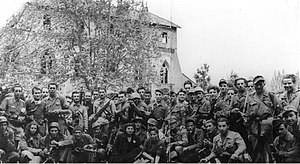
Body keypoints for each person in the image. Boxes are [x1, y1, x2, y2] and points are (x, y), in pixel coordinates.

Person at [245, 75, 281, 162]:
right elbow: (247, 115)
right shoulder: (250, 96)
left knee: (269, 152)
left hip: (268, 127)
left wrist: (272, 122)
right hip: (254, 128)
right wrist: (249, 131)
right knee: (256, 152)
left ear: (264, 84)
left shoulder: (270, 95)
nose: (258, 86)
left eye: (260, 84)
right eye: (256, 85)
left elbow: (279, 111)